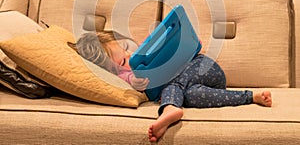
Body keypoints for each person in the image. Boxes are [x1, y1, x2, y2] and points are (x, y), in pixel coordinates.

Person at [68, 30, 272, 143]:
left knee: (174, 84)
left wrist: (189, 44)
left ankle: (169, 108)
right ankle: (250, 97)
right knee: (190, 96)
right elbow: (130, 83)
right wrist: (136, 83)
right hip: (189, 90)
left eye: (128, 49)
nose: (130, 57)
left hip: (201, 68)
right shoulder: (126, 76)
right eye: (122, 62)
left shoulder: (149, 50)